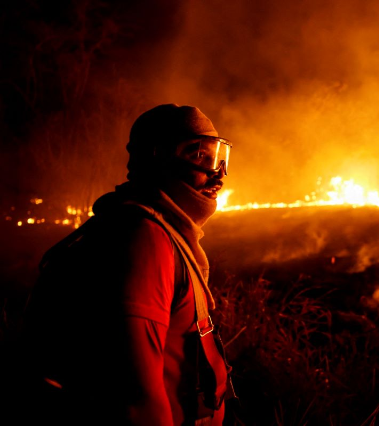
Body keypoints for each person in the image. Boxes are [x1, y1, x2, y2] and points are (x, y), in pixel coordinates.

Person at [21, 104, 234, 425]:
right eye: (199, 155)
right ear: (158, 156)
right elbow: (135, 399)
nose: (217, 172)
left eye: (219, 157)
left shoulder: (165, 234)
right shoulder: (143, 239)